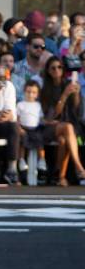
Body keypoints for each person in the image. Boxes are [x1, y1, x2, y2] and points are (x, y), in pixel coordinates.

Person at [40, 56, 85, 186]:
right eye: (53, 68)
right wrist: (64, 95)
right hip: (50, 126)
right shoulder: (45, 89)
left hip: (68, 126)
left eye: (59, 67)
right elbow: (53, 115)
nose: (56, 70)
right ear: (48, 71)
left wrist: (76, 94)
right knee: (68, 128)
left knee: (63, 140)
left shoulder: (68, 83)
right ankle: (79, 167)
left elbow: (77, 110)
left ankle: (59, 176)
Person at [16, 80, 48, 184]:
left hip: (35, 128)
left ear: (37, 94)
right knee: (22, 141)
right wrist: (19, 128)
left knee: (40, 140)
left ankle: (42, 161)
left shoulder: (38, 105)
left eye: (33, 92)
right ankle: (22, 160)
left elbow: (41, 118)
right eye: (28, 91)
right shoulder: (20, 104)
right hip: (24, 128)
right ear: (24, 91)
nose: (30, 94)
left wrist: (48, 122)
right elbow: (17, 118)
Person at [13, 33, 47, 101]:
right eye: (36, 46)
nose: (39, 49)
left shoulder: (47, 69)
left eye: (42, 47)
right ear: (27, 47)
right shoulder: (16, 68)